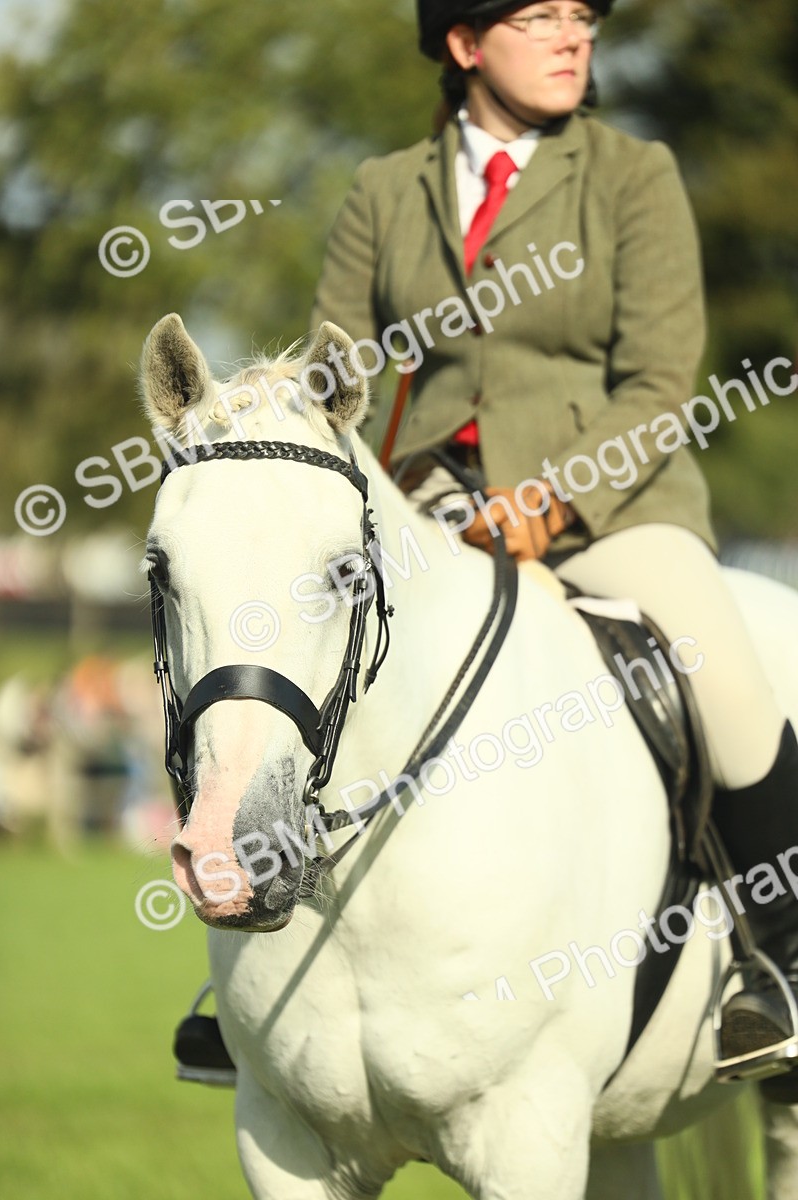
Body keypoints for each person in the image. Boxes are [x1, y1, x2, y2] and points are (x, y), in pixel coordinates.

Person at [309, 0, 798, 1098]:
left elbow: (660, 380)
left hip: (613, 506)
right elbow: (331, 379)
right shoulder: (380, 191)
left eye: (581, 17)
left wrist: (551, 495)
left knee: (723, 678)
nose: (574, 37)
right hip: (427, 509)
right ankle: (259, 976)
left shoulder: (632, 174)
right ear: (463, 44)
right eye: (539, 18)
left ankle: (781, 962)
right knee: (304, 665)